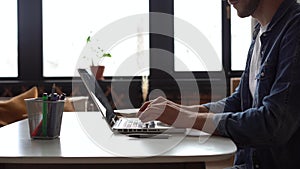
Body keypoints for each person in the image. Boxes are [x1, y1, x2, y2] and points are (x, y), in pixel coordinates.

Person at [137, 0, 300, 168]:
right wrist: (179, 110)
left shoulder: (295, 30)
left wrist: (188, 119)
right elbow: (238, 102)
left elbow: (274, 125)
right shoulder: (261, 31)